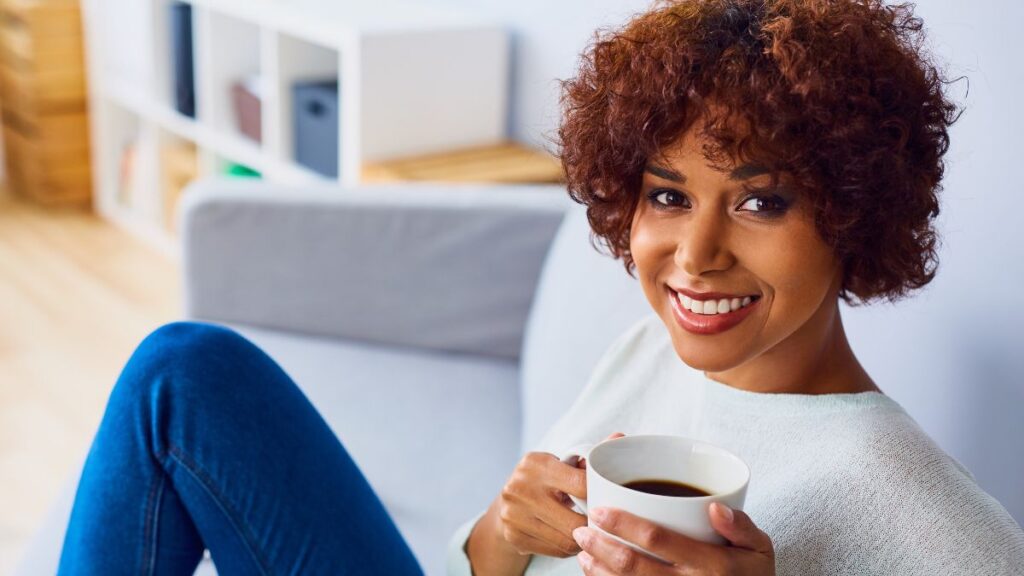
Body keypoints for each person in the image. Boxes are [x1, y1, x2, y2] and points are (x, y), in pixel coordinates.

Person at [58, 1, 1024, 575]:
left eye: (762, 202)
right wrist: (498, 537)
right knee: (182, 374)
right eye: (669, 195)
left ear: (856, 212)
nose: (695, 257)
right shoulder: (658, 345)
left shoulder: (932, 526)